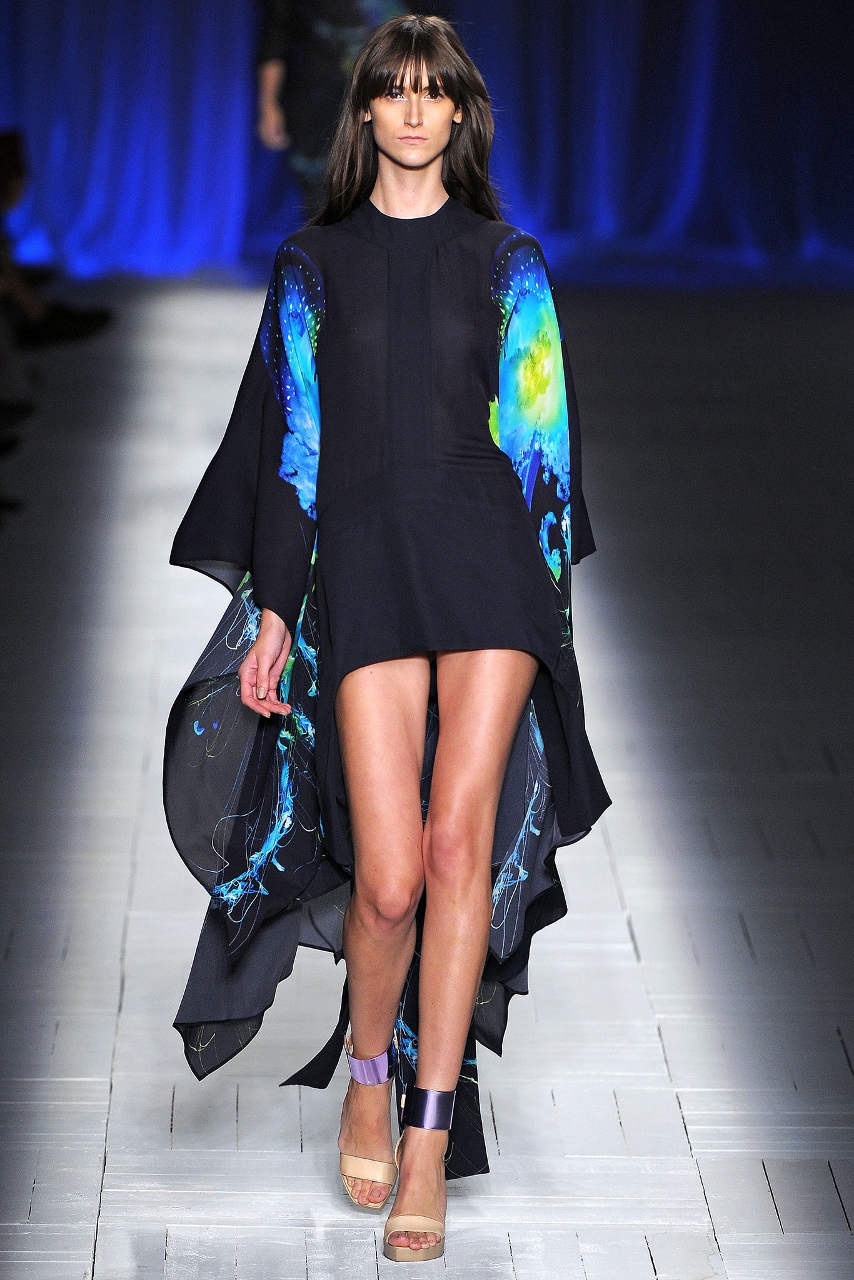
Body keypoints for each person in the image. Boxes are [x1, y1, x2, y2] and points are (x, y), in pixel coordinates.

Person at [164, 14, 610, 1263]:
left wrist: (549, 623)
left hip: (485, 567)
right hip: (362, 561)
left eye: (434, 94)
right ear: (362, 112)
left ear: (460, 115)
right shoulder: (311, 263)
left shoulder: (508, 261)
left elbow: (543, 447)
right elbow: (291, 446)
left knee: (458, 845)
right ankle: (368, 1066)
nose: (413, 112)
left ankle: (426, 1130)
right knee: (389, 874)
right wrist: (273, 606)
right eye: (393, 92)